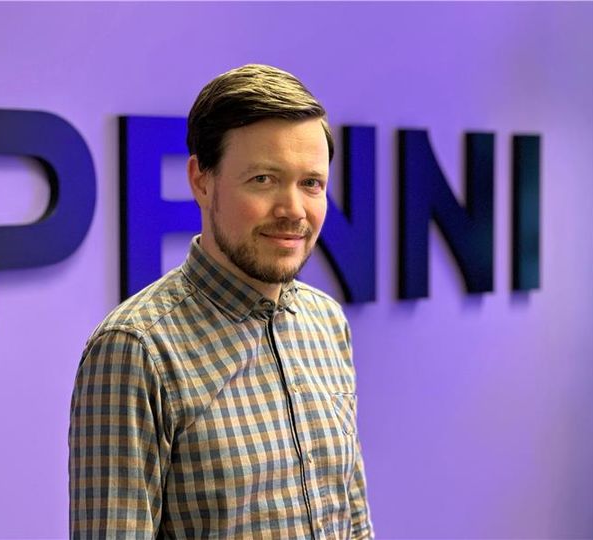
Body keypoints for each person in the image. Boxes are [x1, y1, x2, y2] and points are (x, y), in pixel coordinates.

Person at [69, 64, 373, 539]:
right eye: (264, 179)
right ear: (201, 180)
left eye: (311, 183)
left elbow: (353, 522)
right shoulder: (136, 349)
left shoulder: (326, 322)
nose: (293, 210)